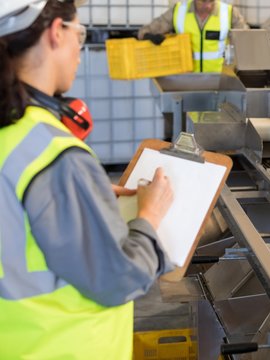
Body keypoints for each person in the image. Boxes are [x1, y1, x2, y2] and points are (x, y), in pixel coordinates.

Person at [0, 1, 175, 359]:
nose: (79, 50)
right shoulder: (53, 154)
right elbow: (117, 278)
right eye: (80, 34)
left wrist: (81, 199)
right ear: (55, 33)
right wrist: (150, 215)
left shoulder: (12, 135)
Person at [138, 0, 248, 73]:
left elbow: (248, 39)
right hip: (186, 82)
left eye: (211, 1)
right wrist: (148, 35)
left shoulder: (229, 12)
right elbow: (145, 31)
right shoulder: (179, 10)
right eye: (202, 2)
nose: (208, 6)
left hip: (220, 82)